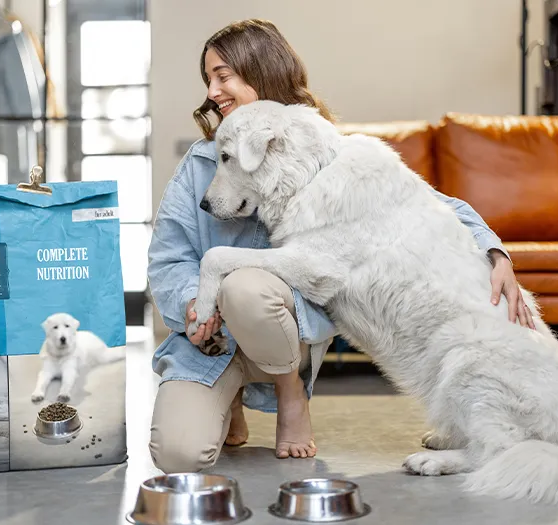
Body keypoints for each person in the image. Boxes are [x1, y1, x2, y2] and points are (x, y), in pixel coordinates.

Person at [146, 18, 534, 474]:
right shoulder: (200, 163)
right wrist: (192, 303)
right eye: (208, 79)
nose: (212, 91)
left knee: (245, 286)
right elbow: (168, 256)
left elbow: (434, 205)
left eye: (223, 75)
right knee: (178, 455)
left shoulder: (325, 150)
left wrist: (495, 252)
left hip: (281, 335)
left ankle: (291, 397)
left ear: (260, 72)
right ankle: (226, 400)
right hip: (211, 343)